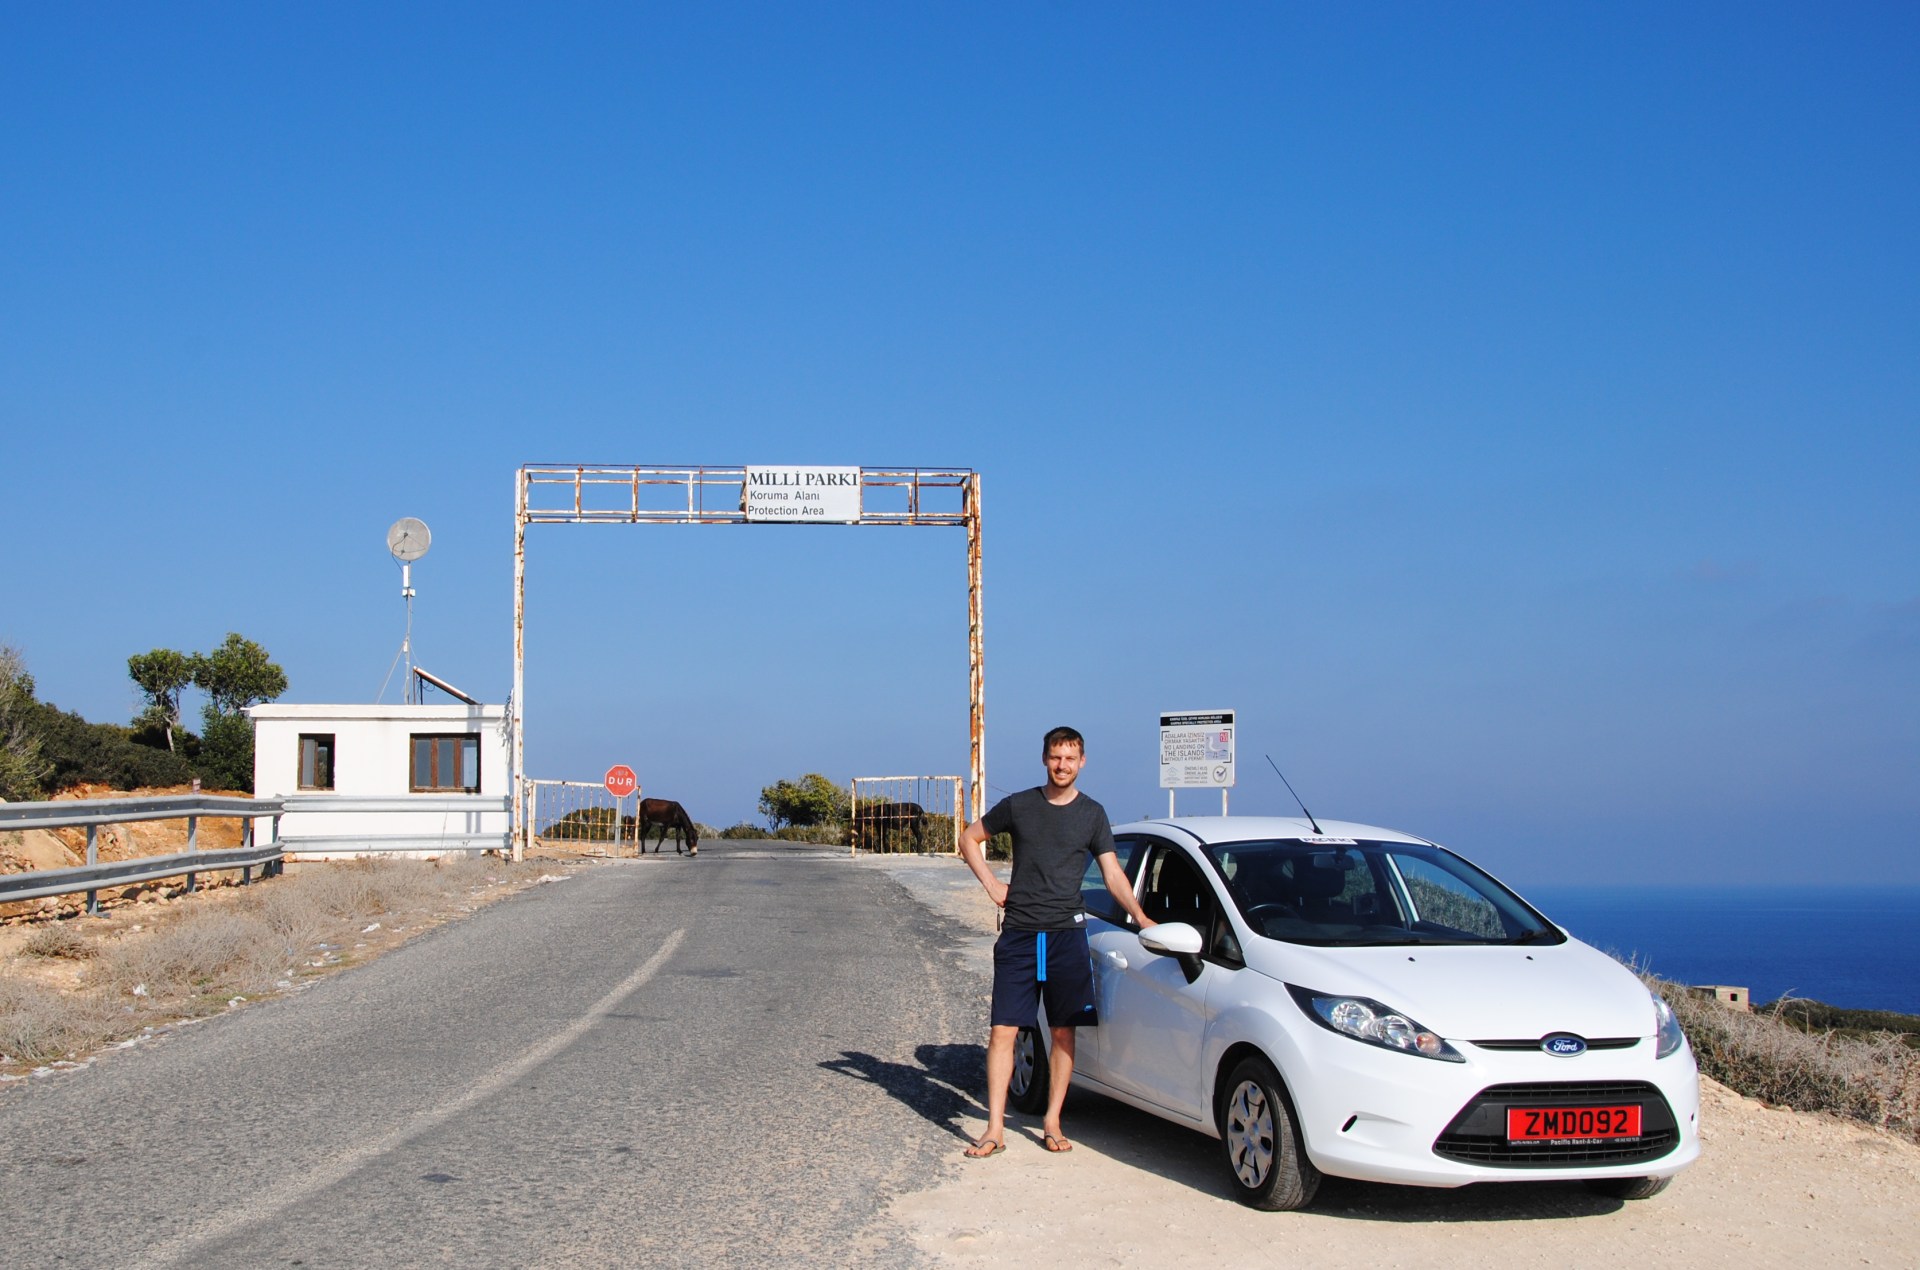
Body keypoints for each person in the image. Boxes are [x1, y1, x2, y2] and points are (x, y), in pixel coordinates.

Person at [955, 725, 1155, 1158]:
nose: (1062, 765)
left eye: (1070, 758)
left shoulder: (1093, 815)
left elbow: (1112, 873)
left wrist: (1140, 917)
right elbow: (969, 838)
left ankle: (1052, 1121)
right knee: (1003, 1031)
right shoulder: (1020, 806)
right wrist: (991, 884)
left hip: (1067, 934)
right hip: (1021, 933)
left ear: (1082, 762)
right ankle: (994, 1128)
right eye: (1055, 757)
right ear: (1045, 759)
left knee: (1064, 1033)